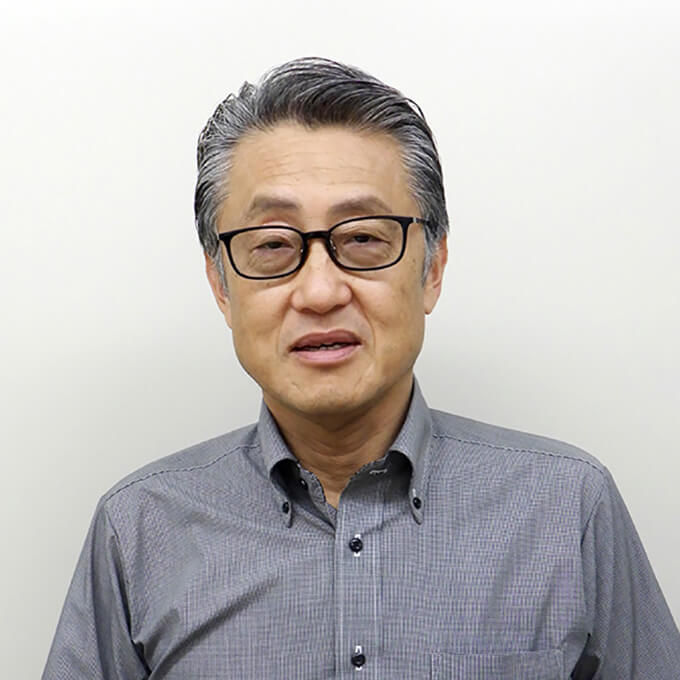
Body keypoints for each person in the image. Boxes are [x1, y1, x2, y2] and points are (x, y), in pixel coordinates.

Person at [43, 57, 679, 680]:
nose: (320, 292)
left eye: (364, 238)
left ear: (432, 269)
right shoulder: (139, 529)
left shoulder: (568, 507)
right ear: (220, 285)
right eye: (273, 245)